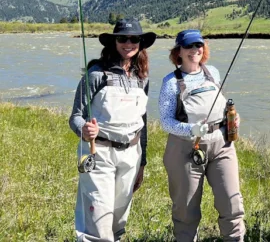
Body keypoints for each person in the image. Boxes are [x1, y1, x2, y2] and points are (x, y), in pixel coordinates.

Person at [69, 18, 156, 242]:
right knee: (99, 216)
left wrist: (142, 162)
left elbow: (142, 122)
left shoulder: (142, 78)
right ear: (113, 42)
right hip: (98, 152)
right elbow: (76, 117)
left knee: (118, 217)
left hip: (131, 155)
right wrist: (84, 131)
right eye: (122, 39)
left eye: (134, 39)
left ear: (141, 44)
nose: (128, 43)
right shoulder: (96, 74)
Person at [159, 29, 245, 242]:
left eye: (198, 45)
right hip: (184, 149)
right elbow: (165, 121)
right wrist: (191, 130)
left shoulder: (212, 73)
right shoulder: (170, 82)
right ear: (178, 51)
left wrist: (233, 118)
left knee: (232, 203)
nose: (194, 50)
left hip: (221, 144)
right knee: (186, 212)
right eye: (188, 46)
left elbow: (222, 104)